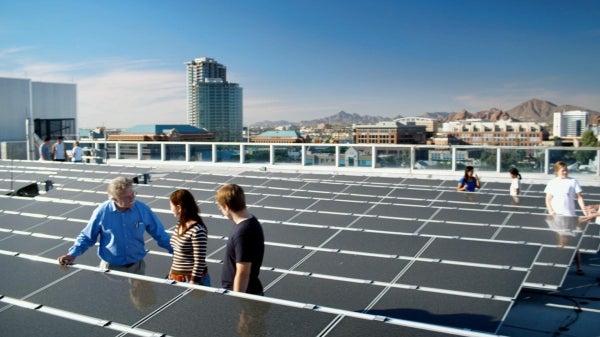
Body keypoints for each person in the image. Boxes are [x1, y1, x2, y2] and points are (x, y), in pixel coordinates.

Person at [57, 176, 173, 274]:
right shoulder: (102, 212)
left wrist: (178, 252)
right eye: (127, 197)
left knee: (140, 300)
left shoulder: (142, 209)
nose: (133, 198)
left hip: (137, 267)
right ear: (114, 199)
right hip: (110, 269)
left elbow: (160, 234)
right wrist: (72, 254)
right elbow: (87, 237)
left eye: (133, 194)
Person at [215, 184, 265, 295]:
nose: (221, 210)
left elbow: (243, 272)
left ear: (226, 207)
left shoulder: (243, 232)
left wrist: (238, 300)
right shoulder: (251, 221)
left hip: (246, 295)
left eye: (220, 207)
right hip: (248, 292)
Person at [544, 161, 588, 275]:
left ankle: (579, 267)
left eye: (566, 170)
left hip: (570, 216)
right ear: (557, 171)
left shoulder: (573, 181)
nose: (565, 172)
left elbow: (579, 197)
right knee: (561, 241)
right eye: (562, 170)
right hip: (557, 216)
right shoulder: (552, 183)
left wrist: (584, 210)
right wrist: (551, 211)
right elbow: (548, 199)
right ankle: (560, 265)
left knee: (574, 241)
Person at [168, 189, 211, 286]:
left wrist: (193, 283)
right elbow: (177, 255)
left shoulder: (197, 230)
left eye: (171, 206)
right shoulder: (180, 224)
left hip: (192, 280)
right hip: (177, 278)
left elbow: (199, 261)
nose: (170, 208)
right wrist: (171, 273)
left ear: (179, 207)